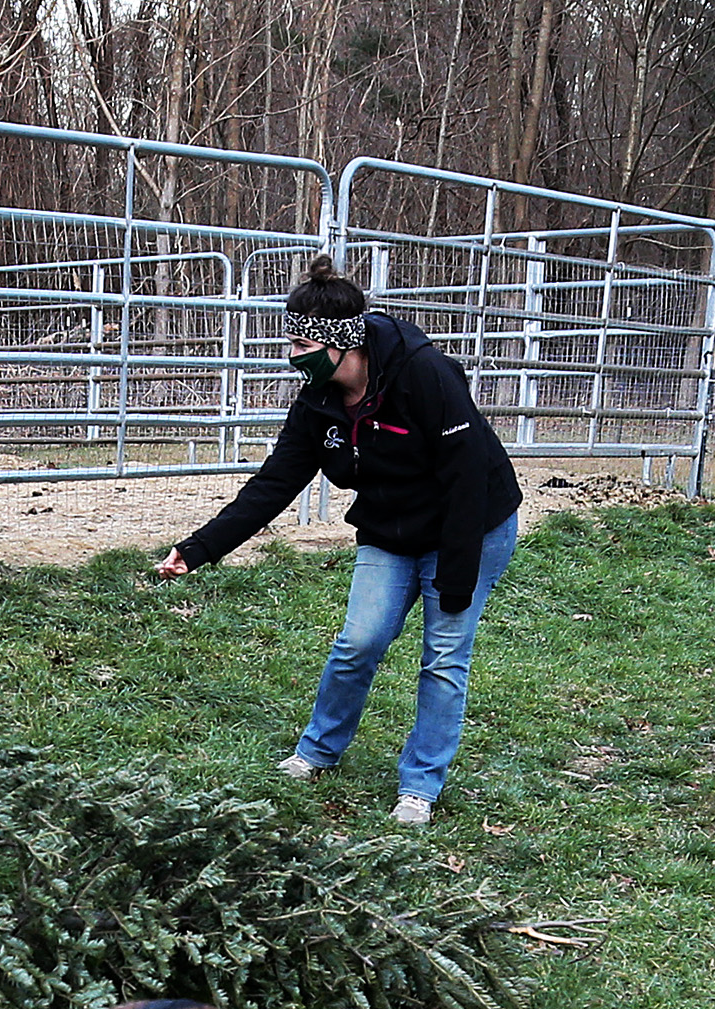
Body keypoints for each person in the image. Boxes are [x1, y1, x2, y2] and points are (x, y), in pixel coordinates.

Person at [156, 257, 523, 826]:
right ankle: (316, 752)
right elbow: (275, 483)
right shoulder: (317, 403)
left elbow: (467, 478)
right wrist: (201, 547)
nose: (293, 354)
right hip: (390, 529)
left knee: (444, 657)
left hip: (469, 526)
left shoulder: (424, 374)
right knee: (359, 642)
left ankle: (419, 787)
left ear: (339, 343)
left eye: (302, 342)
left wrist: (455, 576)